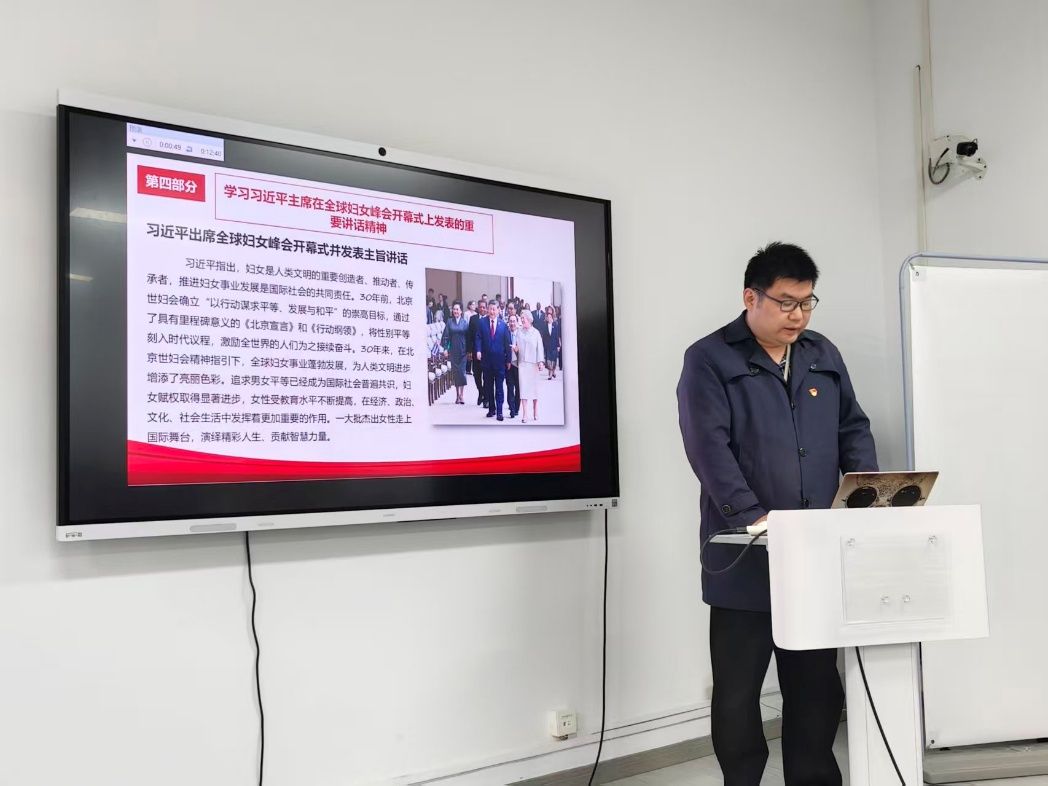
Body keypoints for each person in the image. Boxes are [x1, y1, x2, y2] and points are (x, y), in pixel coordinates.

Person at [676, 242, 878, 786]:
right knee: (738, 691)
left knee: (815, 685)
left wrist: (865, 494)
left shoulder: (821, 353)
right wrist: (754, 516)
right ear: (752, 297)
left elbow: (853, 427)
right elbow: (708, 448)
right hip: (746, 552)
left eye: (807, 303)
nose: (798, 315)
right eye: (786, 302)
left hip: (815, 550)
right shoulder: (709, 358)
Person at [474, 300, 512, 421]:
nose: (492, 311)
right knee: (488, 387)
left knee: (499, 387)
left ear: (498, 310)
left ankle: (499, 412)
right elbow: (478, 338)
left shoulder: (503, 325)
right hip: (486, 361)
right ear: (487, 309)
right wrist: (478, 350)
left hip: (500, 362)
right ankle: (491, 409)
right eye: (490, 309)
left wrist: (509, 360)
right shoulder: (482, 323)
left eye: (494, 309)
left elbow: (507, 343)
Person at [515, 310, 545, 423]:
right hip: (523, 364)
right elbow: (517, 346)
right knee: (523, 389)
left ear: (529, 319)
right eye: (521, 318)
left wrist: (540, 361)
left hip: (533, 364)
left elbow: (540, 348)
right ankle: (525, 414)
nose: (522, 320)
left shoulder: (536, 333)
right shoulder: (519, 332)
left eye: (523, 318)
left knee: (534, 389)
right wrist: (515, 349)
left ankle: (535, 411)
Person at [441, 302, 469, 404]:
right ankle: (457, 395)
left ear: (461, 311)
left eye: (457, 309)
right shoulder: (449, 322)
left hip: (463, 351)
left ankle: (462, 395)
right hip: (453, 351)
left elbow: (468, 337)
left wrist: (469, 351)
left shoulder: (465, 323)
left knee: (462, 373)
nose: (455, 311)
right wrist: (445, 348)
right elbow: (445, 336)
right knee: (456, 373)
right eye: (454, 309)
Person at [468, 299, 488, 407]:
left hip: (487, 353)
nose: (482, 309)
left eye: (484, 307)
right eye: (480, 307)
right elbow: (470, 336)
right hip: (475, 352)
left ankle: (486, 398)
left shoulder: (489, 319)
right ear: (478, 308)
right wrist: (469, 351)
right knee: (476, 375)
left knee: (486, 376)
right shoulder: (473, 319)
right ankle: (481, 392)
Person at [505, 314, 521, 418]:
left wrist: (517, 349)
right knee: (510, 387)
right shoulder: (505, 334)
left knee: (518, 387)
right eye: (510, 321)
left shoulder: (520, 334)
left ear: (517, 322)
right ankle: (511, 408)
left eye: (514, 321)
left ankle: (516, 407)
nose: (512, 323)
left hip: (518, 365)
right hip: (508, 364)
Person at [541, 306, 561, 380]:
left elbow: (557, 335)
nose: (549, 318)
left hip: (554, 345)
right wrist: (543, 345)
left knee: (554, 360)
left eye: (550, 317)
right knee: (548, 360)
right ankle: (550, 373)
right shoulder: (544, 325)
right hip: (547, 345)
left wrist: (558, 345)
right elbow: (543, 336)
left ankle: (553, 371)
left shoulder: (555, 325)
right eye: (548, 317)